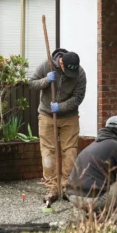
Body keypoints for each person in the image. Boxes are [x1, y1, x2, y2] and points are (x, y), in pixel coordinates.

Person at [29, 48, 86, 207]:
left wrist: (60, 107)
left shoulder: (80, 74)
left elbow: (78, 97)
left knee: (70, 151)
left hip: (69, 117)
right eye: (66, 70)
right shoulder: (47, 66)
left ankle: (68, 188)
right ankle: (52, 189)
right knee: (48, 152)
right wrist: (46, 81)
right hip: (47, 115)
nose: (69, 74)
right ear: (61, 63)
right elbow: (31, 83)